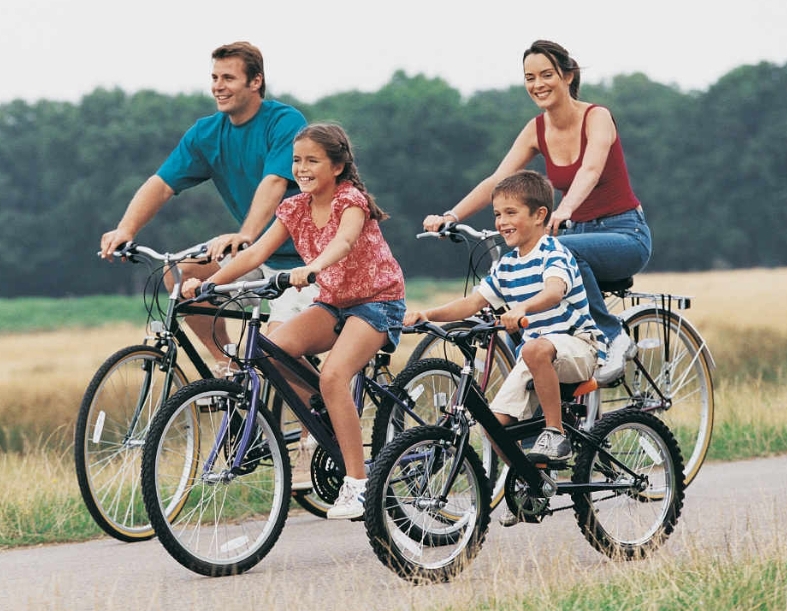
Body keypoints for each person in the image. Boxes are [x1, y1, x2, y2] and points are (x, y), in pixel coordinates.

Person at [183, 123, 406, 520]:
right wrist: (208, 285)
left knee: (334, 375)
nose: (302, 169)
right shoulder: (294, 207)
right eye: (297, 160)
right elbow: (254, 254)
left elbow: (344, 242)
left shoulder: (349, 200)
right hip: (334, 302)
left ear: (337, 166)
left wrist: (314, 267)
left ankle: (358, 484)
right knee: (273, 350)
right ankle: (328, 409)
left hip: (376, 302)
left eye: (312, 161)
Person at [423, 39, 651, 385]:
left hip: (625, 234)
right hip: (575, 235)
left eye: (546, 75)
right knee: (529, 277)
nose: (538, 84)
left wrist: (565, 208)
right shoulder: (536, 129)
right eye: (530, 78)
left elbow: (590, 170)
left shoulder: (597, 117)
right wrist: (451, 217)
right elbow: (498, 180)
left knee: (560, 251)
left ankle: (612, 335)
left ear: (568, 76)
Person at [99, 41, 317, 375]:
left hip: (307, 262)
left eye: (228, 78)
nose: (218, 86)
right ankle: (228, 367)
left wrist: (245, 235)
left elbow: (274, 181)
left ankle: (320, 412)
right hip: (255, 256)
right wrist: (126, 229)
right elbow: (162, 184)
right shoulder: (206, 133)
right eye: (214, 77)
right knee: (181, 272)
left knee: (278, 356)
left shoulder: (284, 121)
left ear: (255, 81)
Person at [406, 170, 603, 526]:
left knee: (534, 349)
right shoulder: (508, 265)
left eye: (511, 212)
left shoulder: (552, 253)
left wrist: (523, 307)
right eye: (497, 214)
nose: (501, 222)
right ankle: (532, 482)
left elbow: (554, 291)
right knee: (494, 426)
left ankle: (555, 434)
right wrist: (427, 314)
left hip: (577, 345)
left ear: (540, 215)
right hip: (536, 356)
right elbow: (472, 303)